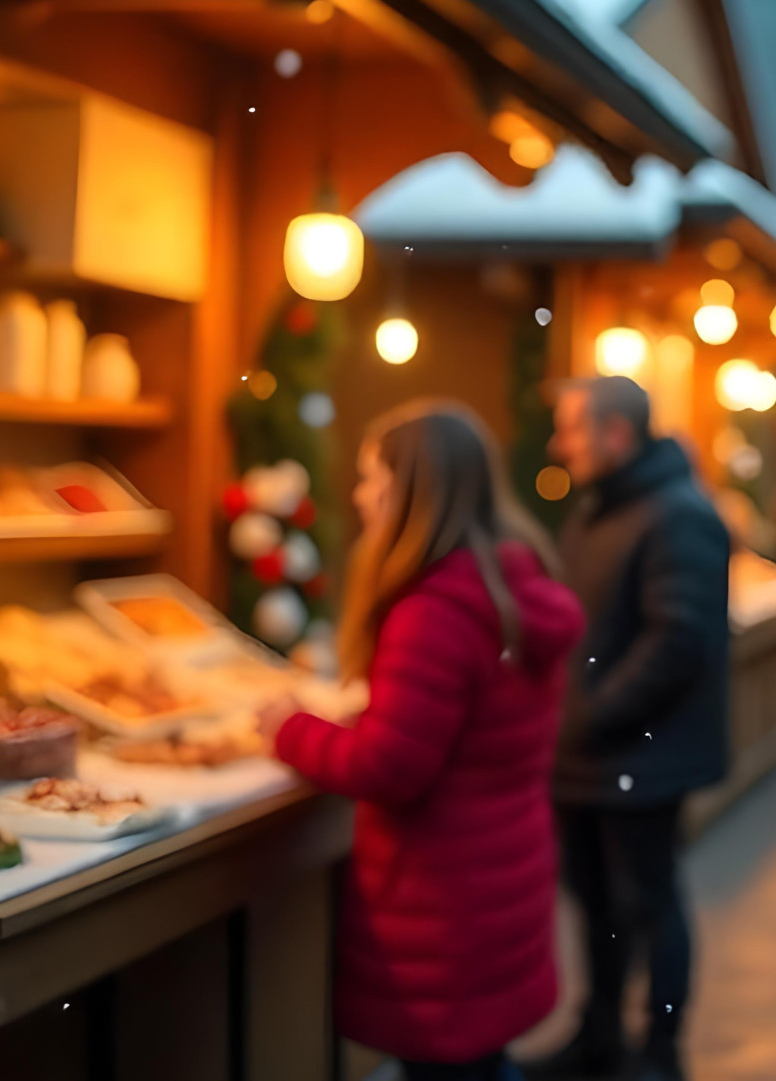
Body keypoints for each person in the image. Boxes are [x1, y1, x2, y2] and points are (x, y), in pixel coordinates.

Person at [267, 401, 585, 1081]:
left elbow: (387, 766)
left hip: (442, 907)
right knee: (483, 1063)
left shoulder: (435, 610)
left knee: (450, 1071)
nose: (357, 496)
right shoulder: (509, 583)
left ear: (407, 489)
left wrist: (287, 728)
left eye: (368, 477)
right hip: (501, 877)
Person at [535, 377, 730, 1081]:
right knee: (593, 903)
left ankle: (658, 1052)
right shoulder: (596, 510)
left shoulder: (678, 514)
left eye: (571, 430)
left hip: (645, 753)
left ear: (616, 433)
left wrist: (591, 711)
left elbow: (679, 640)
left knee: (650, 903)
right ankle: (600, 1034)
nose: (558, 446)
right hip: (587, 751)